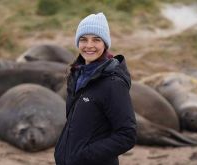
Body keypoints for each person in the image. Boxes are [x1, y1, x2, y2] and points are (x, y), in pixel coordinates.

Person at [54, 12, 137, 165]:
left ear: (105, 44)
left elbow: (127, 135)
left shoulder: (113, 83)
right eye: (83, 39)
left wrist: (85, 156)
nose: (89, 45)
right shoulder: (76, 76)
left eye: (96, 40)